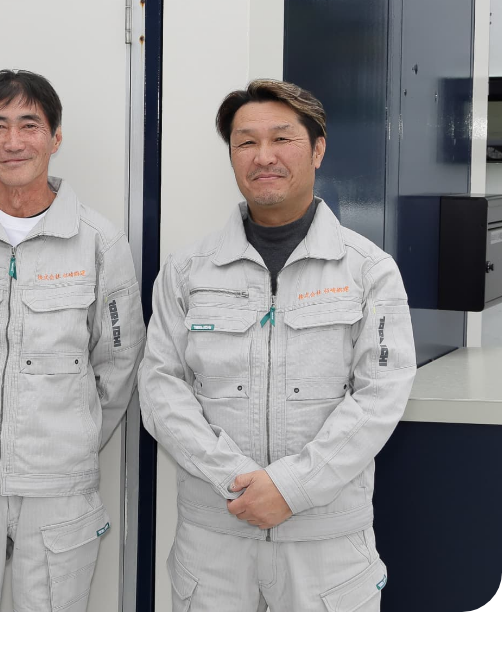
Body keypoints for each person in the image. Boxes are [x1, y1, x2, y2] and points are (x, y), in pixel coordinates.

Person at [139, 79, 416, 612]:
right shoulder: (186, 271)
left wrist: (291, 487)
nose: (263, 156)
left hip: (325, 541)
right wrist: (235, 481)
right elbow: (160, 388)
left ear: (317, 149)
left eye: (282, 138)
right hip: (215, 536)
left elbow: (380, 396)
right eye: (246, 142)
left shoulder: (368, 270)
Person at [0, 69, 145, 612]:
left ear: (55, 137)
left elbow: (118, 361)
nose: (13, 141)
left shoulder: (99, 242)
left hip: (58, 485)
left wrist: (72, 435)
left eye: (29, 125)